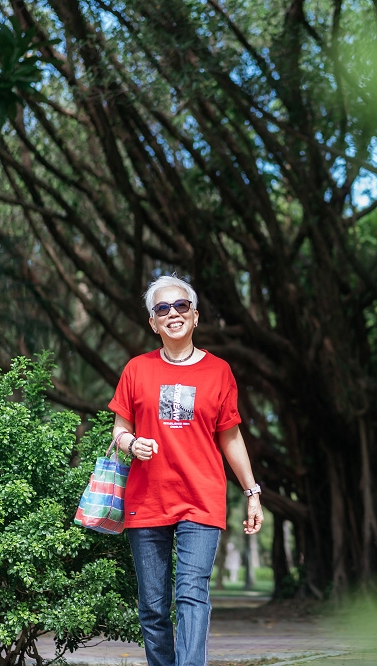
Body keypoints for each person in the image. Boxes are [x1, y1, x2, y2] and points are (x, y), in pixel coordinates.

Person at [109, 275, 264, 666]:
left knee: (193, 593)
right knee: (154, 607)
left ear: (195, 316)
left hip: (201, 499)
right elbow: (119, 430)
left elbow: (230, 437)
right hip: (146, 501)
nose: (172, 314)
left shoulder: (219, 372)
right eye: (162, 309)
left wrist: (252, 493)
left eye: (181, 306)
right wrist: (132, 443)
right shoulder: (136, 369)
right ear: (153, 322)